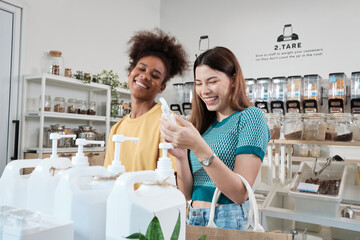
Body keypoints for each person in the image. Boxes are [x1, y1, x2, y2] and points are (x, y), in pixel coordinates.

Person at [160, 46, 270, 230]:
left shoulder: (250, 117)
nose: (204, 91)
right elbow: (186, 193)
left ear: (233, 80)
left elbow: (239, 193)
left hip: (228, 220)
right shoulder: (204, 127)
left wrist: (198, 146)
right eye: (199, 83)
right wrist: (180, 155)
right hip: (192, 217)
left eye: (212, 81)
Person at [104, 28, 188, 171]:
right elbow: (108, 177)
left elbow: (173, 180)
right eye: (141, 69)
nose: (145, 76)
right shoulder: (117, 129)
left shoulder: (168, 124)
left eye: (155, 75)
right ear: (131, 72)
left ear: (161, 87)